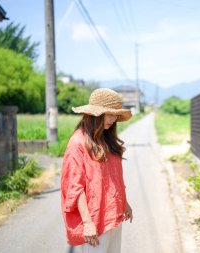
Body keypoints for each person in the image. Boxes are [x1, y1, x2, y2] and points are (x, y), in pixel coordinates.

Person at [60, 88, 133, 253]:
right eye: (110, 114)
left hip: (113, 215)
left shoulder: (105, 138)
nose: (114, 119)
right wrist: (87, 222)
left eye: (116, 115)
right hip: (94, 220)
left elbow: (112, 178)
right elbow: (75, 186)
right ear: (95, 114)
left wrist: (124, 203)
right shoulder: (78, 143)